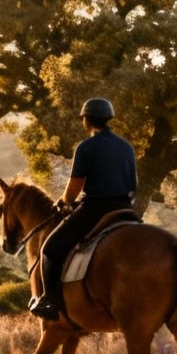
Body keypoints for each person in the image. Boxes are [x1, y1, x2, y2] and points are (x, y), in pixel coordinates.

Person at [28, 98, 137, 320]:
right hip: (125, 208)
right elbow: (133, 184)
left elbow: (76, 184)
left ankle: (49, 300)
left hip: (96, 208)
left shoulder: (86, 147)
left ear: (87, 120)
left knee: (49, 249)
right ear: (108, 118)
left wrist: (65, 201)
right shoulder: (126, 147)